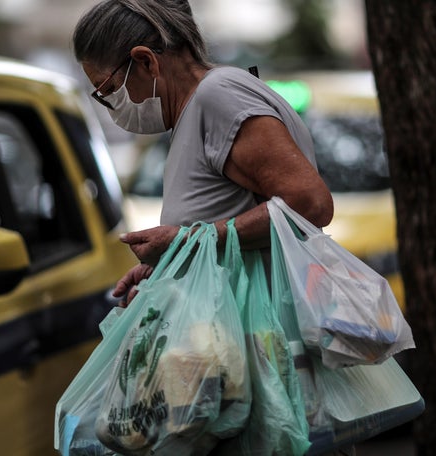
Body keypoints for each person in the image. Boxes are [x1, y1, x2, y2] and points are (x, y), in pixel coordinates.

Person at [72, 0, 333, 306]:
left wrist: (186, 241)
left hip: (266, 337)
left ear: (145, 61)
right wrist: (168, 265)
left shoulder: (218, 96)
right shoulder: (194, 110)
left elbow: (310, 204)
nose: (112, 105)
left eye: (108, 89)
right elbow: (226, 223)